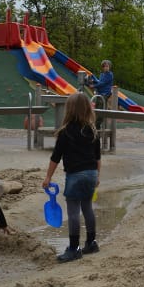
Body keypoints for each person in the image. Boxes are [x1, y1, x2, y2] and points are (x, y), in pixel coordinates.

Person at [43, 92, 101, 262]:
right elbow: (98, 156)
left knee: (73, 211)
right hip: (91, 173)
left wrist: (48, 177)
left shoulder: (65, 132)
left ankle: (74, 248)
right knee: (87, 207)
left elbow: (56, 157)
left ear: (69, 110)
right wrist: (97, 176)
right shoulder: (93, 130)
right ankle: (91, 242)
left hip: (75, 175)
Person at [87, 59, 114, 129]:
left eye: (107, 66)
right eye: (104, 66)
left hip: (105, 93)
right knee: (96, 108)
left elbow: (102, 83)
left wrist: (93, 86)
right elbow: (99, 82)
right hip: (100, 93)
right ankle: (95, 123)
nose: (106, 68)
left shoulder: (110, 75)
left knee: (101, 108)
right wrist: (93, 80)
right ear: (102, 67)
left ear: (109, 67)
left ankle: (97, 124)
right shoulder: (102, 74)